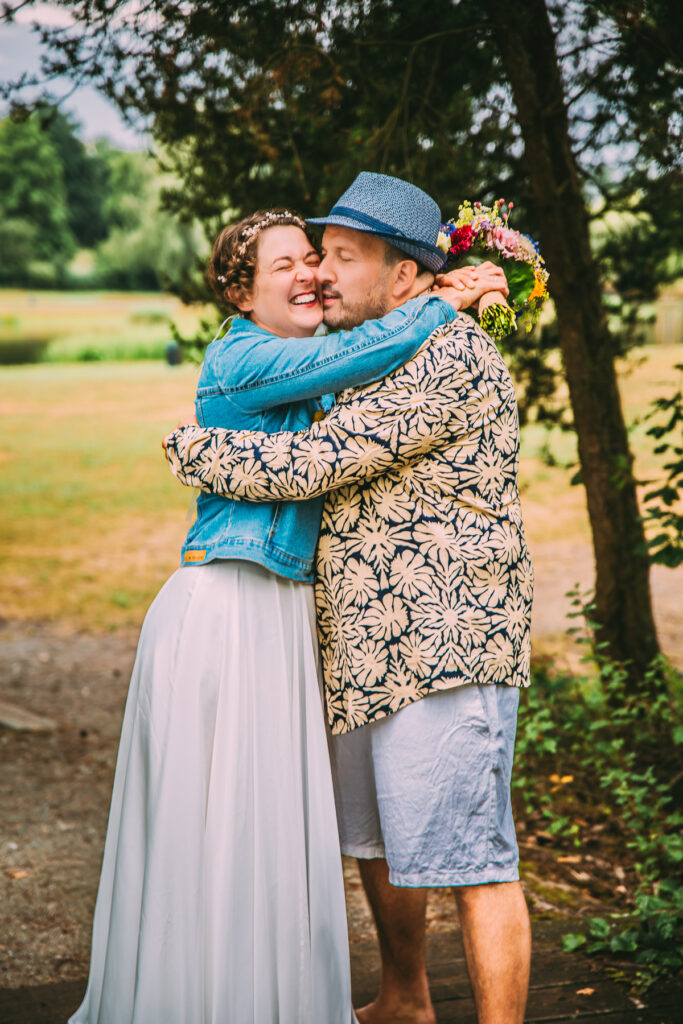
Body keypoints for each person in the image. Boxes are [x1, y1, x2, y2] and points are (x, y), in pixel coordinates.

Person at [70, 201, 501, 1024]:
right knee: (218, 820)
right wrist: (438, 300)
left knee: (266, 821)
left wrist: (424, 293)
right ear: (241, 295)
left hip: (277, 608)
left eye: (312, 258)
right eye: (284, 265)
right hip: (226, 601)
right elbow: (358, 349)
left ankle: (263, 999)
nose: (308, 273)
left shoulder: (306, 363)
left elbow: (369, 378)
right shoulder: (246, 358)